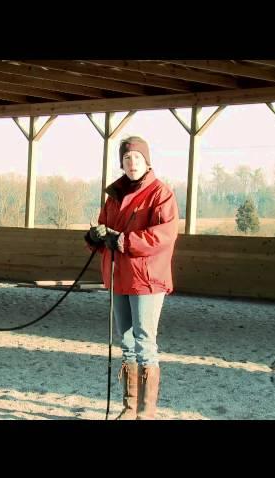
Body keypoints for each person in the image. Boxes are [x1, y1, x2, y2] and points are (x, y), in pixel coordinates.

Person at [84, 135, 179, 420]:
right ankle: (129, 406)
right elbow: (105, 228)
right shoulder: (113, 197)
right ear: (121, 163)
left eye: (136, 157)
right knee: (126, 343)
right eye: (127, 159)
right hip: (118, 275)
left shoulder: (161, 194)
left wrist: (124, 241)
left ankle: (146, 411)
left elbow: (163, 235)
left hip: (147, 280)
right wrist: (95, 236)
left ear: (146, 160)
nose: (132, 163)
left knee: (145, 342)